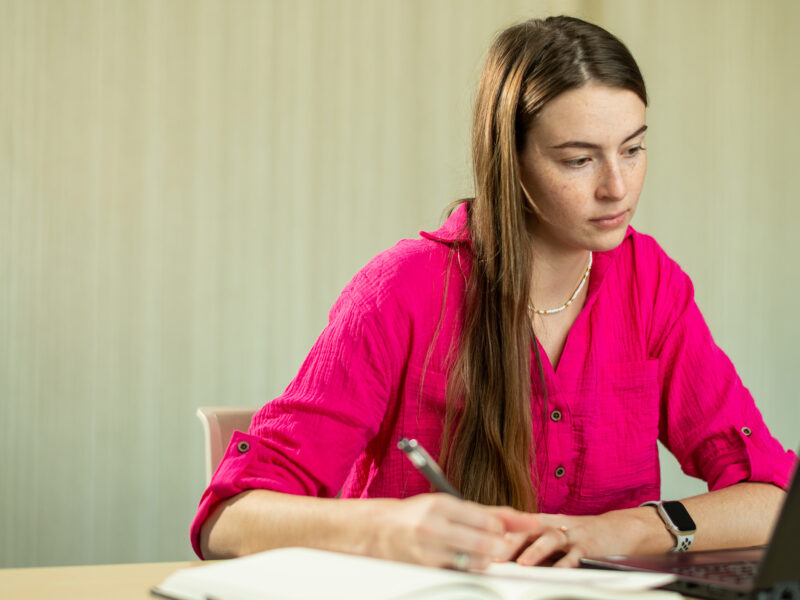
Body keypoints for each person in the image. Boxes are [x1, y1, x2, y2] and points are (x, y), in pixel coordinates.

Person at [191, 16, 796, 570]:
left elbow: (773, 498)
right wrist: (385, 526)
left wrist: (620, 531)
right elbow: (227, 520)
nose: (618, 187)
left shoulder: (651, 281)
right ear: (510, 161)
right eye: (579, 160)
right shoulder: (403, 289)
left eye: (633, 150)